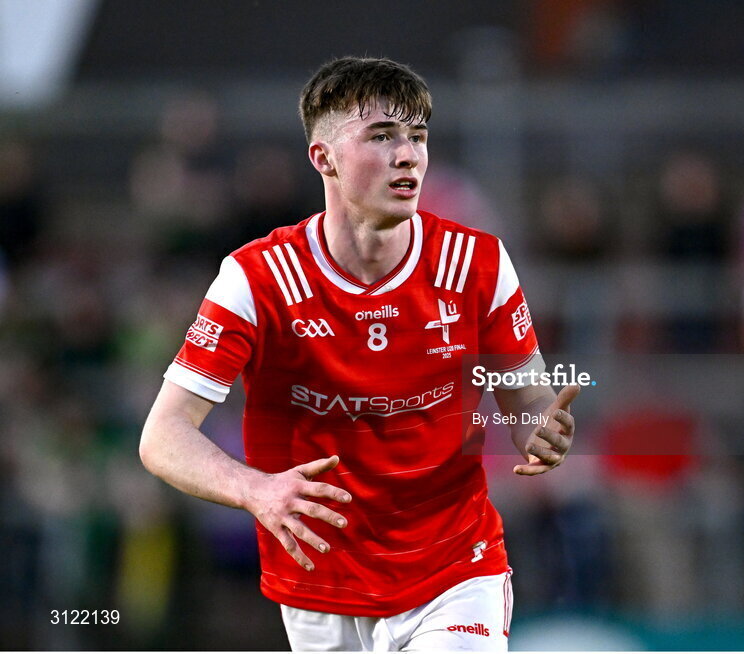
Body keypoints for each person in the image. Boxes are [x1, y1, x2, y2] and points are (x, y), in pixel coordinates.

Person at [139, 56, 578, 651]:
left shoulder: (477, 263)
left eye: (417, 136)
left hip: (454, 570)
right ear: (324, 158)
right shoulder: (257, 279)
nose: (408, 155)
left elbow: (527, 403)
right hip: (319, 586)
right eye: (382, 136)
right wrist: (256, 490)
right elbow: (163, 436)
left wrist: (541, 430)